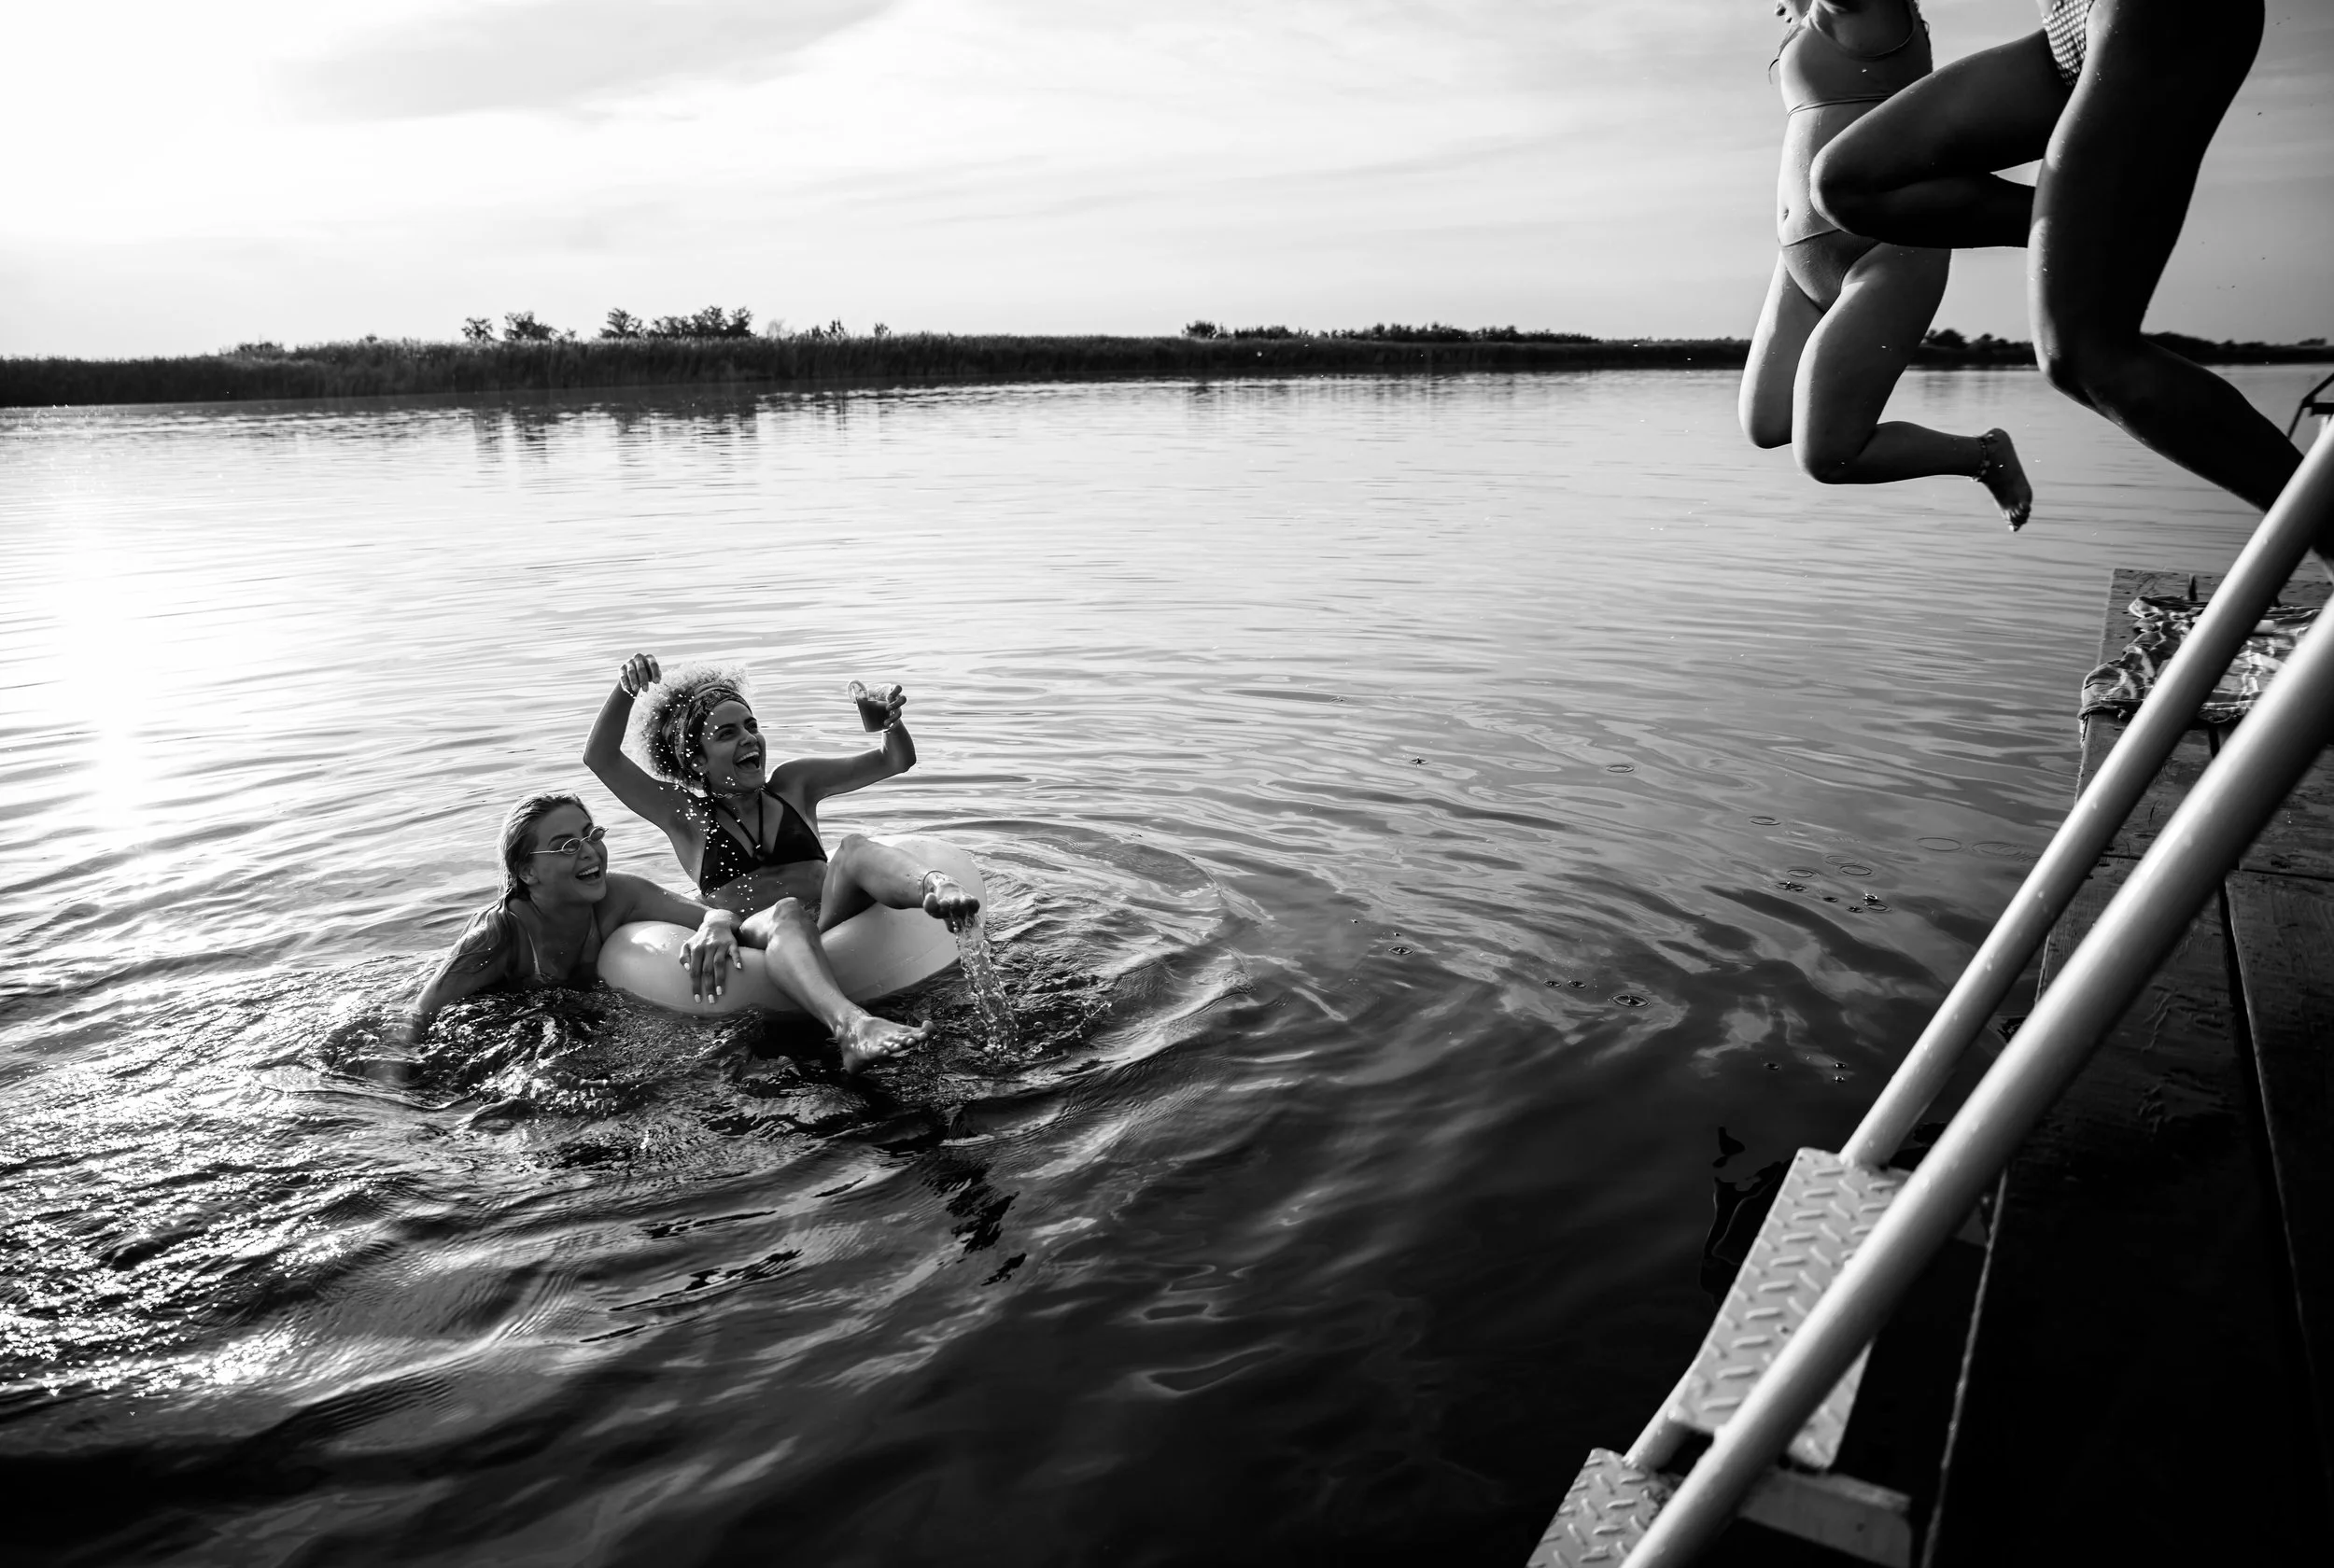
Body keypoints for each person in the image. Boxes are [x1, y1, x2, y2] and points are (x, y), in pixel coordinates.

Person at [1807, 0, 2313, 534]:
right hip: (2070, 24)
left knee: (2083, 357)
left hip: (2152, 16)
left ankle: (2325, 532)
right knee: (1849, 182)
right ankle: (2081, 227)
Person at [582, 655, 980, 1067]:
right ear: (696, 759)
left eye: (752, 726)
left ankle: (934, 886)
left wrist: (890, 722)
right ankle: (852, 1028)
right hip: (760, 933)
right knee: (786, 911)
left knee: (855, 847)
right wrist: (627, 689)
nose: (749, 739)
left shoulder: (794, 784)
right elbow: (600, 757)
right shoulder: (684, 816)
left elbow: (895, 761)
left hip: (832, 917)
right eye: (727, 733)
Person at [1743, 0, 2035, 529]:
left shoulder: (1866, 11)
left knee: (1828, 457)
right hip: (1799, 262)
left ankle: (1983, 455)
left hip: (1889, 250)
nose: (1772, 7)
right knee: (1765, 422)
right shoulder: (1818, 23)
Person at [409, 791, 932, 1071]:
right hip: (516, 1034)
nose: (590, 852)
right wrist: (401, 1090)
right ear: (526, 872)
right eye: (567, 845)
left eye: (591, 835)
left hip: (592, 1023)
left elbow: (705, 913)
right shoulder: (499, 935)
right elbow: (419, 1015)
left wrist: (718, 922)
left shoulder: (621, 894)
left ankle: (850, 1029)